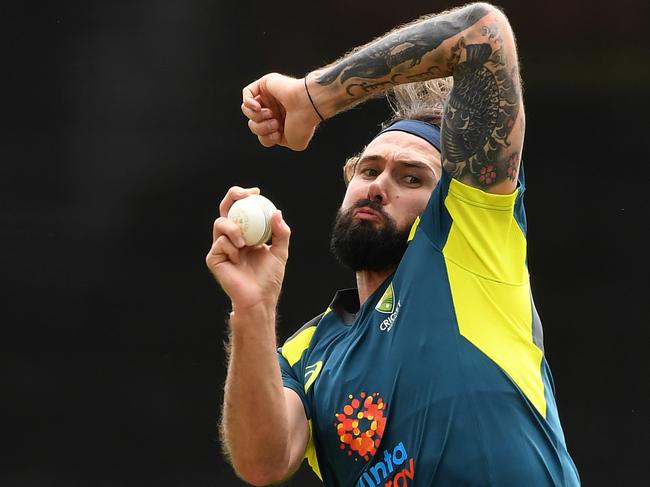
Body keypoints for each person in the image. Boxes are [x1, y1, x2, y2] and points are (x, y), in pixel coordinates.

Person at [207, 2, 580, 485]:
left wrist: (312, 97)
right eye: (368, 169)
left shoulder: (468, 245)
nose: (378, 186)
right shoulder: (307, 353)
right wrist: (253, 308)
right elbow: (262, 463)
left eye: (411, 177)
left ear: (449, 201)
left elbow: (483, 35)